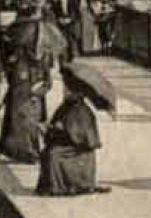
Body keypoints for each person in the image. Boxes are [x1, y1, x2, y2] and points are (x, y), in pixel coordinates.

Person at [0, 0, 67, 163]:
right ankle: (26, 148)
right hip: (34, 72)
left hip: (24, 72)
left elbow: (9, 45)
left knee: (23, 109)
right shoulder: (45, 26)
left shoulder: (21, 25)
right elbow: (54, 50)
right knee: (30, 110)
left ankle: (21, 148)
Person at [38, 68, 111, 196]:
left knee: (53, 154)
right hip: (70, 146)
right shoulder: (67, 105)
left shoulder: (81, 110)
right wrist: (51, 128)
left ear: (76, 92)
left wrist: (57, 129)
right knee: (49, 151)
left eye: (67, 90)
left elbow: (78, 137)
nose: (65, 92)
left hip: (79, 151)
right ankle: (52, 185)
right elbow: (59, 123)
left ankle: (62, 186)